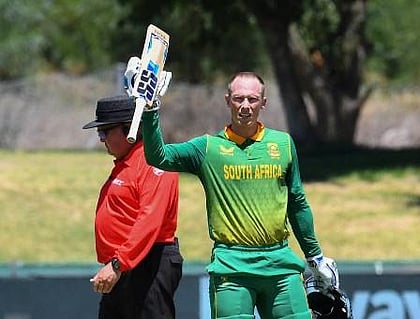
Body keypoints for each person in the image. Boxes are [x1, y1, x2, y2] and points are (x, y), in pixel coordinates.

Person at [139, 69, 337, 319]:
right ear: (227, 100)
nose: (245, 106)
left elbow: (297, 204)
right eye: (238, 98)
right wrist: (149, 109)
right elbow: (158, 156)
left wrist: (315, 256)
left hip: (280, 264)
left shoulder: (283, 144)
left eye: (252, 99)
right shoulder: (208, 148)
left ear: (263, 103)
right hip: (232, 266)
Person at [82, 94, 183, 319]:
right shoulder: (126, 163)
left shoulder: (154, 160)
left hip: (149, 264)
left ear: (129, 129)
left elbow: (149, 221)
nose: (101, 139)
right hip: (125, 264)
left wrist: (118, 264)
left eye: (104, 131)